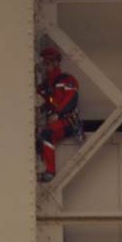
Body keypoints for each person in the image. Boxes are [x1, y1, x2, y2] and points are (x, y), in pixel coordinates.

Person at [36, 46, 83, 182]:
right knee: (40, 137)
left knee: (47, 133)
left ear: (56, 63)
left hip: (67, 121)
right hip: (55, 120)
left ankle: (50, 171)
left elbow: (71, 99)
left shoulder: (66, 80)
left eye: (49, 63)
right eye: (45, 63)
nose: (47, 67)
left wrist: (57, 114)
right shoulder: (45, 86)